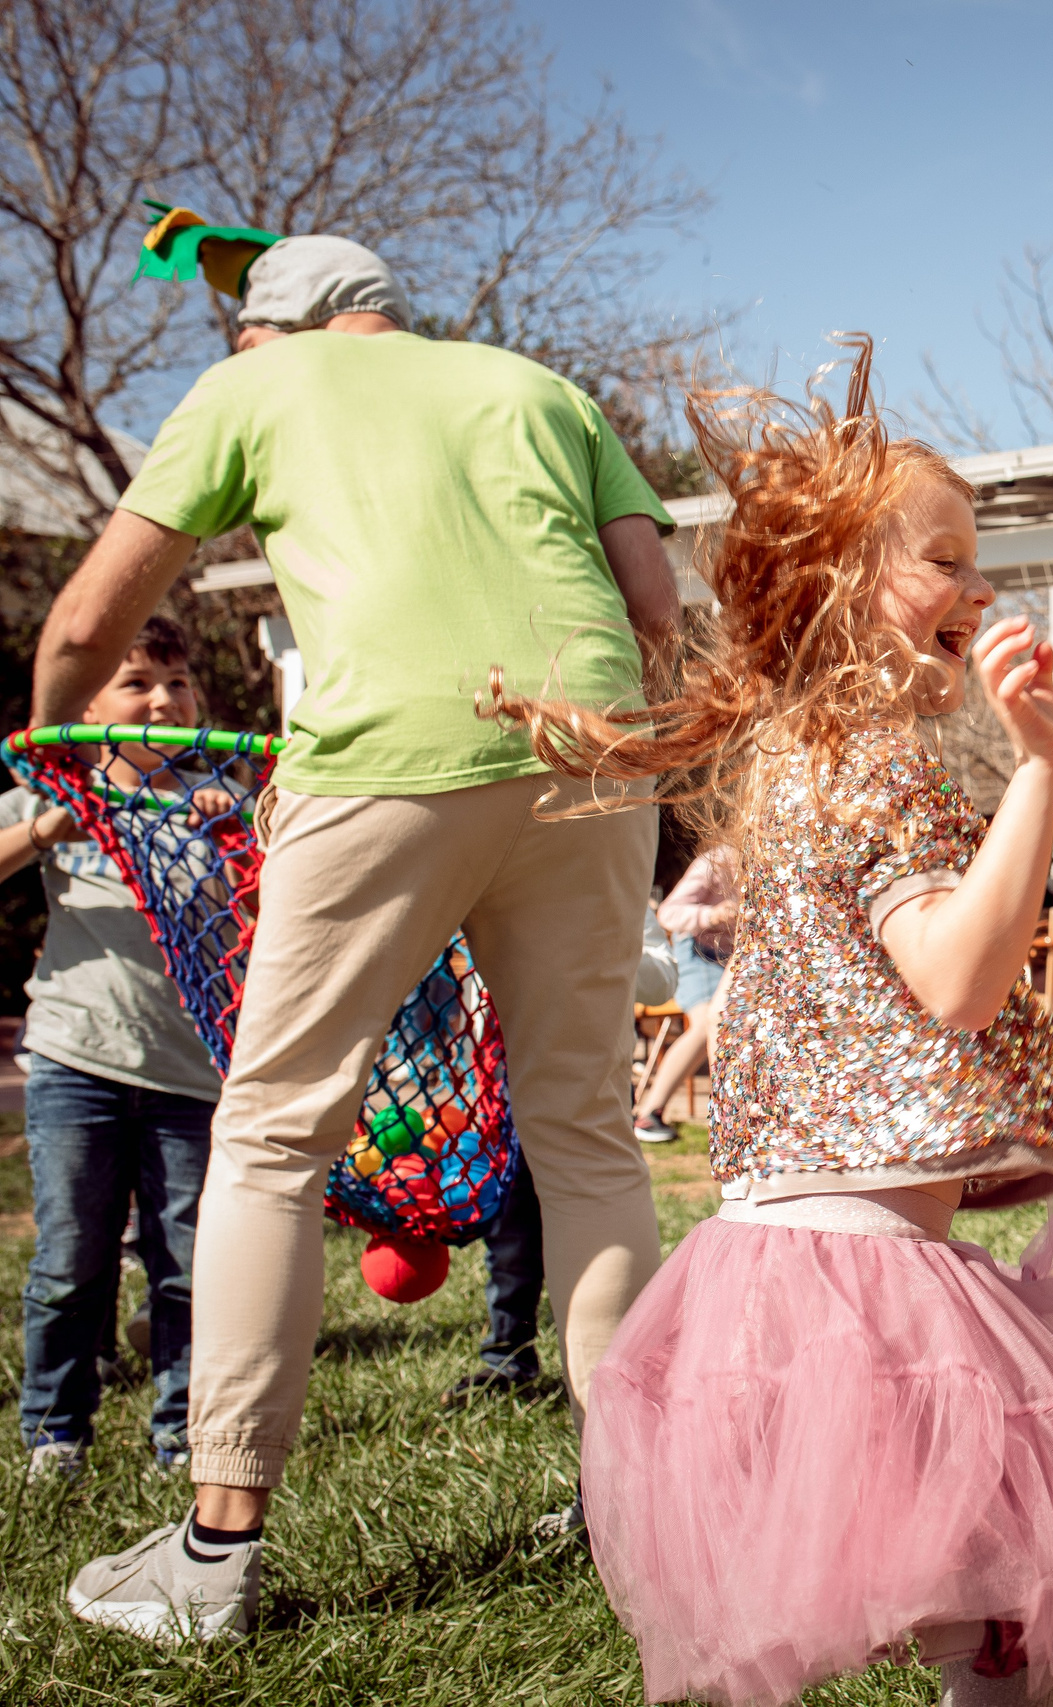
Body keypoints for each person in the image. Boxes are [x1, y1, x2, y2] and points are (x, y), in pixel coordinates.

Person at [486, 346, 1053, 1707]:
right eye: (946, 560)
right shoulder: (878, 772)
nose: (978, 589)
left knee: (850, 1601)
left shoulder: (797, 752)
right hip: (862, 1272)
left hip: (764, 1256)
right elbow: (957, 978)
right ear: (847, 584)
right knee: (1000, 1605)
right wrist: (1043, 764)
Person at [49, 232, 674, 1639]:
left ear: (273, 331)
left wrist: (48, 729)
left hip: (388, 753)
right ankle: (639, 1507)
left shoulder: (250, 388)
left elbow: (93, 611)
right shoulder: (539, 386)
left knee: (273, 1130)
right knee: (584, 1130)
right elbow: (653, 607)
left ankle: (214, 1547)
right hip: (597, 746)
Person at [3, 618, 223, 1484]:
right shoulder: (58, 798)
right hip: (74, 1061)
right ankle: (56, 1431)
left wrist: (235, 824)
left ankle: (181, 1433)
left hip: (185, 1075)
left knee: (187, 1266)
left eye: (177, 679)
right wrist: (49, 829)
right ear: (90, 704)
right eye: (136, 682)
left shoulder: (223, 801)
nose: (163, 698)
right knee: (69, 1261)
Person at [445, 904, 679, 1407]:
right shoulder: (498, 892)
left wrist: (593, 939)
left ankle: (618, 1372)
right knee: (511, 1230)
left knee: (592, 1219)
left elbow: (660, 982)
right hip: (504, 1087)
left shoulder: (625, 897)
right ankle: (506, 1356)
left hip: (586, 1088)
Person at [634, 846, 737, 1143]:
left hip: (734, 956)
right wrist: (712, 914)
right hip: (698, 952)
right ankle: (649, 1113)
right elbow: (667, 913)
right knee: (707, 1022)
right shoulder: (716, 862)